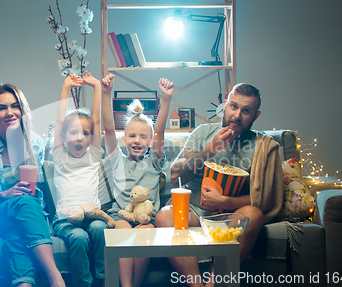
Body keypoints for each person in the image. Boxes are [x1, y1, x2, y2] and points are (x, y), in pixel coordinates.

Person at [154, 83, 284, 287]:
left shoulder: (263, 146)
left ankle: (214, 283)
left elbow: (264, 198)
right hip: (195, 213)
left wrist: (226, 201)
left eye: (246, 111)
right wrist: (209, 150)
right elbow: (175, 174)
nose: (237, 115)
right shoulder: (204, 132)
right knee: (164, 216)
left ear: (255, 116)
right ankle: (197, 285)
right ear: (225, 104)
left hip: (231, 218)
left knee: (254, 215)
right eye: (233, 106)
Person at [0, 84, 65, 287]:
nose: (10, 113)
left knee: (17, 232)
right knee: (24, 203)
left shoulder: (34, 143)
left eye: (15, 106)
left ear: (22, 110)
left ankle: (24, 284)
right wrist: (3, 195)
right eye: (2, 108)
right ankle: (55, 276)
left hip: (25, 217)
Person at [101, 74, 174, 287]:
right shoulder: (117, 161)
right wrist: (106, 94)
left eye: (143, 137)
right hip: (121, 217)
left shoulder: (154, 161)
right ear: (124, 140)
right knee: (123, 232)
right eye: (132, 136)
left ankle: (135, 284)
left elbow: (160, 130)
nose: (137, 141)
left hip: (146, 220)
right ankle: (127, 285)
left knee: (146, 235)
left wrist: (166, 98)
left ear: (151, 141)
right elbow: (107, 129)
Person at [51, 71, 107, 287]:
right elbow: (59, 120)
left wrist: (97, 88)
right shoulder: (59, 156)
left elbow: (96, 120)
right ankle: (83, 283)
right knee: (80, 237)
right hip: (65, 221)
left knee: (100, 230)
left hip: (93, 216)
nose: (80, 137)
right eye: (73, 132)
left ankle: (104, 279)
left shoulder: (93, 155)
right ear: (64, 137)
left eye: (85, 133)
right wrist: (66, 87)